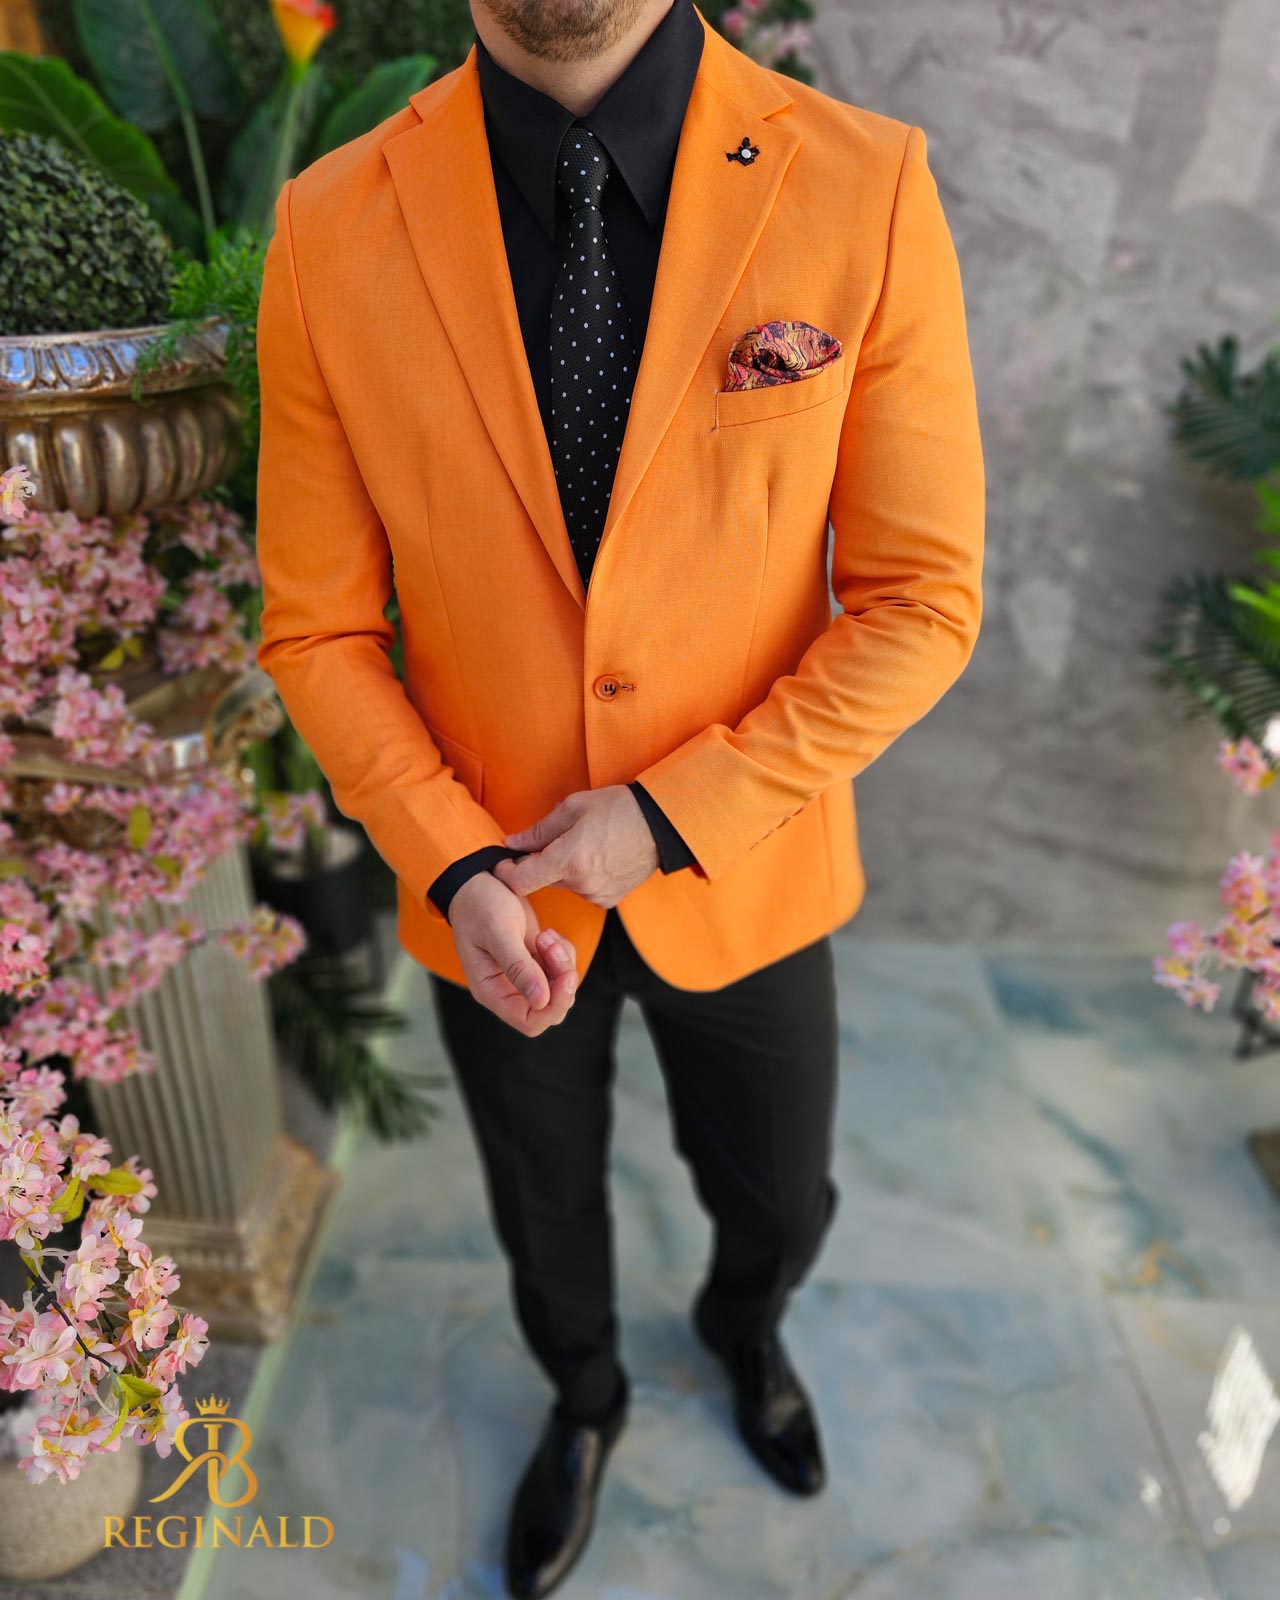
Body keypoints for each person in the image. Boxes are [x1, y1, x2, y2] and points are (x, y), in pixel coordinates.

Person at [255, 0, 984, 1592]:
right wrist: (454, 861)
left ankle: (747, 1329)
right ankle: (584, 1401)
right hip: (492, 887)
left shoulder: (863, 182)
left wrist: (665, 816)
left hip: (748, 860)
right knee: (543, 1214)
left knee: (780, 1199)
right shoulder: (327, 227)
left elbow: (922, 601)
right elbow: (317, 628)